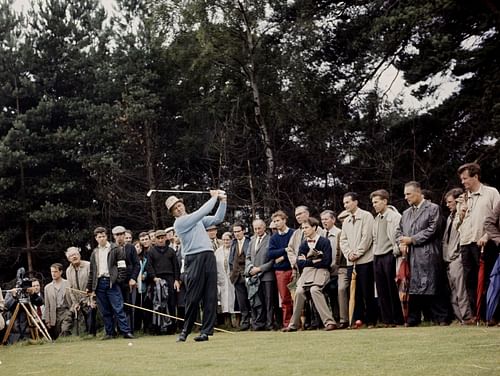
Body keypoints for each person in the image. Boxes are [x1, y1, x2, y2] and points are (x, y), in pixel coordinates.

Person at [166, 190, 227, 342]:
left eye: (179, 205)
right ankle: (185, 330)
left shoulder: (197, 220)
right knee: (193, 297)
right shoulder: (179, 223)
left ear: (182, 204)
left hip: (208, 256)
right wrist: (213, 197)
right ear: (173, 213)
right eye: (175, 208)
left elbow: (218, 218)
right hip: (193, 258)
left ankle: (205, 332)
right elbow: (201, 212)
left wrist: (223, 201)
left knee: (210, 296)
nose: (179, 209)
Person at [396, 181, 449, 326]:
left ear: (418, 193)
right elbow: (398, 231)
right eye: (405, 194)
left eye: (409, 194)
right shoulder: (406, 213)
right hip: (411, 256)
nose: (406, 197)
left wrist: (412, 239)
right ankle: (413, 319)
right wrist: (401, 243)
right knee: (412, 288)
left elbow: (433, 230)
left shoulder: (433, 208)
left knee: (434, 285)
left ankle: (441, 317)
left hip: (429, 253)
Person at [454, 162, 500, 319]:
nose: (463, 182)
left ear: (476, 177)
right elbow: (456, 226)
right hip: (466, 243)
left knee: (489, 280)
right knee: (470, 282)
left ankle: (492, 315)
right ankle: (477, 315)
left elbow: (497, 219)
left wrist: (487, 236)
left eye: (465, 178)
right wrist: (460, 214)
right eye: (461, 179)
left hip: (485, 243)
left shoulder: (491, 193)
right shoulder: (462, 198)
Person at [283, 217, 336, 332]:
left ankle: (329, 322)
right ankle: (293, 324)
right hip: (307, 273)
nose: (304, 230)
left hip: (322, 272)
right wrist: (313, 261)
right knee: (299, 291)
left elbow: (326, 262)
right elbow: (300, 263)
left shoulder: (324, 242)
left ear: (314, 228)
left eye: (306, 227)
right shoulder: (303, 245)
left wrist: (308, 261)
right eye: (303, 228)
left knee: (314, 290)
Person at [86, 226, 134, 340]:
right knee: (105, 310)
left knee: (118, 308)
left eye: (103, 236)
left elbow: (122, 266)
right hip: (99, 283)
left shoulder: (115, 248)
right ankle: (110, 333)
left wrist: (119, 280)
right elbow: (92, 271)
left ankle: (126, 332)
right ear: (96, 238)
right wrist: (89, 287)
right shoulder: (94, 253)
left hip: (112, 282)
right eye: (99, 237)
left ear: (107, 236)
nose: (102, 238)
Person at [340, 192, 377, 328]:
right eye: (344, 203)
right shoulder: (346, 220)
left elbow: (367, 237)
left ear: (355, 202)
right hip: (351, 262)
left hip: (365, 260)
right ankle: (358, 319)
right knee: (355, 292)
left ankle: (371, 319)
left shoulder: (366, 216)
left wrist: (358, 253)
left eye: (348, 202)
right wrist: (349, 253)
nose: (346, 205)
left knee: (367, 291)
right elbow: (343, 240)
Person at [370, 189, 404, 327]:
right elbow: (374, 238)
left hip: (390, 255)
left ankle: (397, 319)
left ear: (385, 201)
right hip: (377, 256)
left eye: (376, 202)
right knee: (381, 290)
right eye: (373, 203)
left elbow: (398, 235)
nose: (374, 205)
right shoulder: (376, 218)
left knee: (392, 289)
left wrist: (395, 251)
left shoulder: (395, 216)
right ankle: (387, 320)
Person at [443, 188, 473, 324]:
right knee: (453, 293)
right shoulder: (450, 217)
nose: (447, 205)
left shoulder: (463, 216)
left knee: (461, 291)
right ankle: (460, 318)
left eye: (450, 202)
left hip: (457, 257)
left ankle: (467, 317)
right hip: (449, 259)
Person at [146, 229, 181, 334]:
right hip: (157, 279)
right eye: (158, 238)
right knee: (158, 303)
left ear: (166, 238)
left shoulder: (171, 251)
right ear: (155, 239)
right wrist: (153, 277)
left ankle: (172, 328)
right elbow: (149, 266)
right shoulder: (151, 251)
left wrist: (176, 280)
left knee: (171, 303)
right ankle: (158, 328)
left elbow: (176, 266)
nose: (161, 240)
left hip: (170, 278)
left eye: (162, 238)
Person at [245, 219, 278, 331]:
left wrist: (259, 269)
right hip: (254, 277)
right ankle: (259, 324)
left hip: (267, 276)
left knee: (269, 302)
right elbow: (248, 257)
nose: (257, 230)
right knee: (258, 302)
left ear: (264, 228)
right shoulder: (251, 241)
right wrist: (250, 268)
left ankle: (270, 324)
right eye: (255, 229)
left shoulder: (271, 240)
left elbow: (272, 260)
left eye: (259, 228)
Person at [268, 210, 295, 328]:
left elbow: (295, 249)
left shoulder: (293, 234)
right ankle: (287, 323)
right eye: (274, 221)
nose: (276, 223)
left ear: (284, 220)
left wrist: (283, 256)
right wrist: (285, 250)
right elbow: (271, 253)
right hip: (281, 271)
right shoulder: (274, 237)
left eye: (278, 220)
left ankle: (298, 322)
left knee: (296, 297)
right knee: (285, 298)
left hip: (293, 269)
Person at [112, 225, 140, 333]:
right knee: (118, 306)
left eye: (121, 234)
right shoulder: (112, 248)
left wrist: (133, 278)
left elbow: (137, 264)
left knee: (129, 306)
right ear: (114, 236)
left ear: (124, 235)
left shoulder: (131, 248)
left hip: (128, 282)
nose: (119, 237)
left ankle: (129, 330)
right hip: (116, 282)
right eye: (117, 235)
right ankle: (119, 329)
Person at [65, 246, 97, 336]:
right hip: (79, 300)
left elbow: (94, 283)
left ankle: (92, 336)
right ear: (68, 259)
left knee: (91, 318)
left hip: (90, 298)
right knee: (84, 322)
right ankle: (87, 336)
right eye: (71, 256)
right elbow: (70, 289)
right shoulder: (68, 270)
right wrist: (75, 303)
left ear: (79, 255)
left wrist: (92, 299)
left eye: (75, 254)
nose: (74, 257)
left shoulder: (88, 265)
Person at [320, 210, 341, 326]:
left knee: (338, 294)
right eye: (322, 220)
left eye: (326, 219)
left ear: (333, 220)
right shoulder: (321, 235)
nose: (324, 222)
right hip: (324, 271)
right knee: (330, 296)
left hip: (337, 270)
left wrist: (335, 265)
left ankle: (340, 318)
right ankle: (331, 319)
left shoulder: (339, 233)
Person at [229, 222, 251, 331]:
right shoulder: (233, 243)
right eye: (235, 232)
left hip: (248, 275)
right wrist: (231, 273)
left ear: (243, 231)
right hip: (236, 276)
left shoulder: (249, 241)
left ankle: (255, 321)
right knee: (241, 301)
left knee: (252, 299)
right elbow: (230, 260)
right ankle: (245, 322)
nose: (237, 233)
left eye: (238, 231)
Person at [44, 263, 73, 339]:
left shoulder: (68, 283)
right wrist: (47, 320)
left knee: (65, 329)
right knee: (57, 333)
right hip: (54, 313)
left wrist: (72, 310)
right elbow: (47, 305)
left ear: (60, 272)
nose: (53, 274)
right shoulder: (47, 288)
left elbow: (73, 298)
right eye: (52, 272)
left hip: (66, 310)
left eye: (55, 271)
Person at [215, 232, 236, 328]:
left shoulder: (234, 250)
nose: (225, 241)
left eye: (227, 239)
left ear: (231, 240)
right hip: (221, 279)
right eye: (223, 240)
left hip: (232, 279)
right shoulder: (218, 252)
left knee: (234, 300)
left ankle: (235, 322)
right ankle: (226, 322)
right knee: (224, 302)